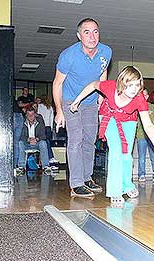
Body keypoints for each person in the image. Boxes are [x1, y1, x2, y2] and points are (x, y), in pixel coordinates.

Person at [70, 66, 154, 205]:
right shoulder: (110, 87)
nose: (134, 89)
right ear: (121, 82)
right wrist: (77, 100)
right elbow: (93, 85)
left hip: (129, 120)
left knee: (126, 154)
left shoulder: (139, 98)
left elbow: (148, 124)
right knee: (117, 151)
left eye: (137, 85)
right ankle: (115, 191)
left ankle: (127, 185)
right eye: (130, 85)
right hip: (109, 116)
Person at [53, 18, 112, 198]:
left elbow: (103, 72)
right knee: (76, 139)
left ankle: (87, 178)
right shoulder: (68, 55)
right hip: (70, 101)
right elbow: (57, 83)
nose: (92, 36)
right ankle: (76, 183)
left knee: (89, 141)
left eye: (95, 31)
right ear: (79, 36)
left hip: (90, 103)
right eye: (87, 32)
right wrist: (59, 111)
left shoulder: (106, 51)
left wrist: (102, 96)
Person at [15, 106, 52, 175]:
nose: (30, 116)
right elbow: (21, 136)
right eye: (28, 115)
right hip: (27, 143)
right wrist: (28, 139)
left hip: (37, 143)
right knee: (20, 143)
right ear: (26, 115)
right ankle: (21, 167)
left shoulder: (40, 121)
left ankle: (46, 166)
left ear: (35, 114)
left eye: (32, 114)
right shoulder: (22, 122)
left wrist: (36, 139)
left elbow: (43, 135)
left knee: (43, 143)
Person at [37, 95, 58, 164]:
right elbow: (52, 119)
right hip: (48, 126)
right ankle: (50, 157)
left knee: (44, 143)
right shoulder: (50, 107)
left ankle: (48, 158)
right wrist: (51, 128)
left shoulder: (39, 106)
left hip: (42, 126)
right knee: (48, 142)